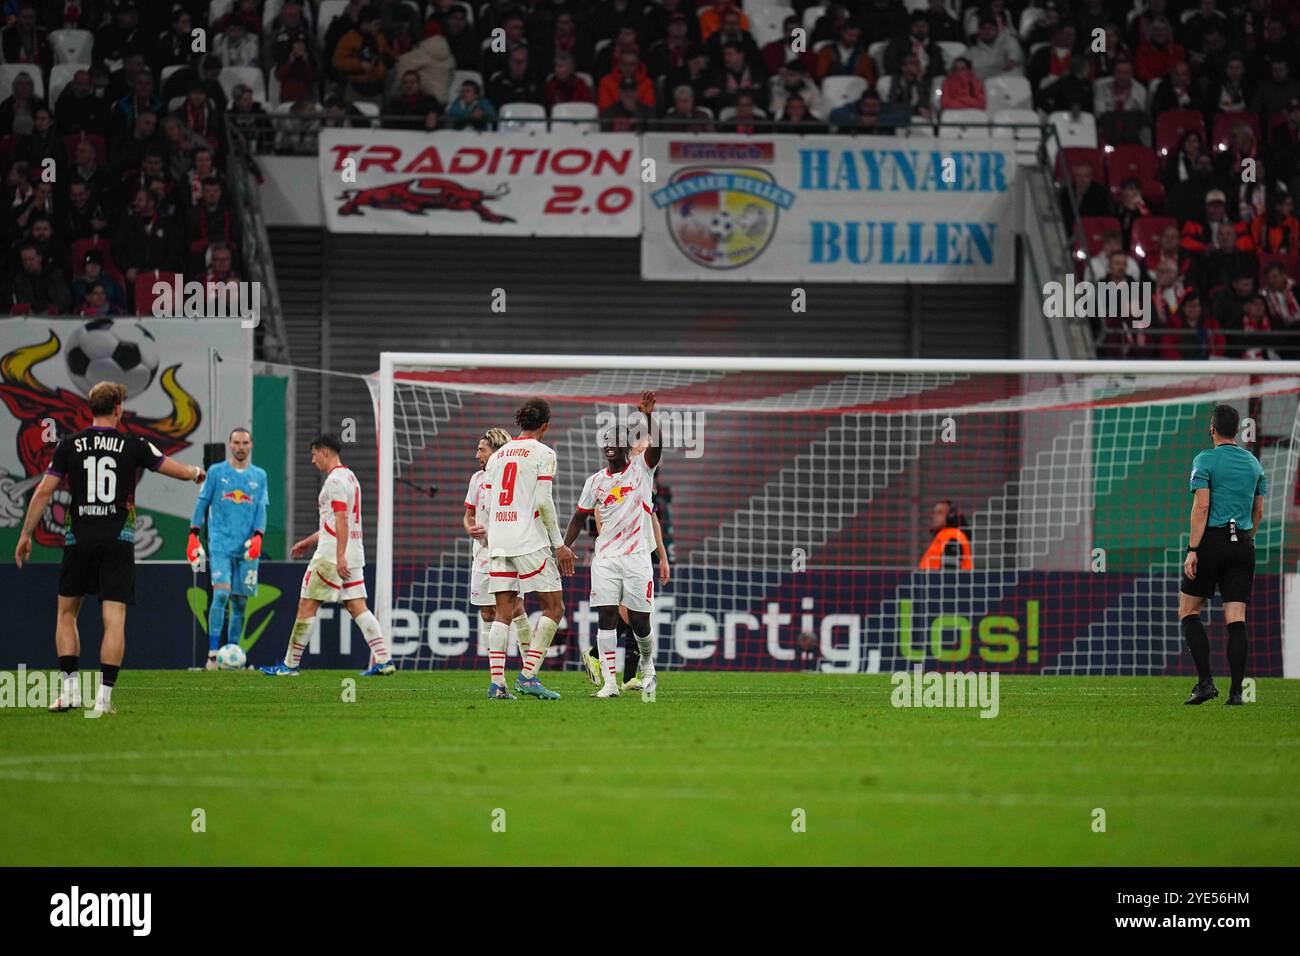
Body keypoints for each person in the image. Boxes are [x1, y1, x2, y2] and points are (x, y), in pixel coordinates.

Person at [13, 381, 206, 714]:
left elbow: (44, 491)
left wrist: (25, 534)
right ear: (118, 408)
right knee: (113, 620)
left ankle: (70, 690)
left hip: (79, 539)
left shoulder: (69, 445)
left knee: (66, 613)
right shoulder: (135, 444)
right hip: (119, 538)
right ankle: (103, 699)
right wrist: (197, 473)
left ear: (91, 407)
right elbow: (173, 468)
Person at [261, 434, 395, 677]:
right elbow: (334, 522)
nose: (312, 461)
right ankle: (384, 660)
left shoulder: (334, 481)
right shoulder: (351, 477)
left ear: (324, 452)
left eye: (313, 455)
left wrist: (339, 556)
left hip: (332, 556)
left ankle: (289, 666)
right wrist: (308, 542)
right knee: (357, 606)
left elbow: (341, 519)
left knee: (307, 604)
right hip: (353, 553)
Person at [563, 392, 662, 699]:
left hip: (636, 557)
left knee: (639, 620)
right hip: (605, 558)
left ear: (625, 446)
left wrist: (647, 416)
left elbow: (656, 448)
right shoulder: (595, 482)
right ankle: (609, 682)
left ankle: (647, 663)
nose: (608, 443)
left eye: (615, 439)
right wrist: (564, 546)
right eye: (605, 439)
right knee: (606, 615)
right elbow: (579, 517)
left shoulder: (640, 471)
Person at [481, 399, 574, 700]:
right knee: (555, 607)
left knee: (503, 611)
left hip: (499, 539)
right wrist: (559, 545)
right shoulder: (544, 453)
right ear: (546, 425)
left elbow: (490, 499)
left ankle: (498, 684)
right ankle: (528, 676)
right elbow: (544, 502)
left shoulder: (498, 456)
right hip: (527, 539)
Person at [1180, 404, 1265, 706]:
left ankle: (1205, 684)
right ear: (1237, 430)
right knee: (1236, 618)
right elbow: (1258, 511)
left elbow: (1201, 507)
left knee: (1189, 611)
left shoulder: (1205, 459)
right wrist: (1246, 539)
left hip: (1211, 542)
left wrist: (1193, 550)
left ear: (1212, 428)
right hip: (1243, 544)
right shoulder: (1253, 463)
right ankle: (1236, 693)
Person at [187, 428, 269, 670]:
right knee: (221, 594)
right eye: (236, 442)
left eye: (245, 442)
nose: (240, 447)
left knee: (241, 602)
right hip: (220, 544)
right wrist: (193, 534)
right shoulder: (216, 472)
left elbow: (261, 508)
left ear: (251, 445)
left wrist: (258, 537)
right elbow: (202, 503)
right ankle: (213, 654)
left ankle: (232, 654)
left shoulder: (259, 476)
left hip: (247, 548)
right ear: (230, 445)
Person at [464, 428, 532, 667]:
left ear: (495, 452)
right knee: (487, 613)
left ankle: (529, 668)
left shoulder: (514, 477)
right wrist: (470, 527)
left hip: (509, 552)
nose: (477, 455)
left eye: (481, 449)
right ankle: (495, 670)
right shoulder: (477, 479)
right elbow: (468, 515)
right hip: (482, 554)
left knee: (516, 608)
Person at [918, 499, 972, 570]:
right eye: (934, 513)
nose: (934, 516)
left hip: (937, 580)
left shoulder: (953, 536)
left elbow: (949, 574)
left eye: (939, 513)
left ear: (950, 517)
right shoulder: (945, 536)